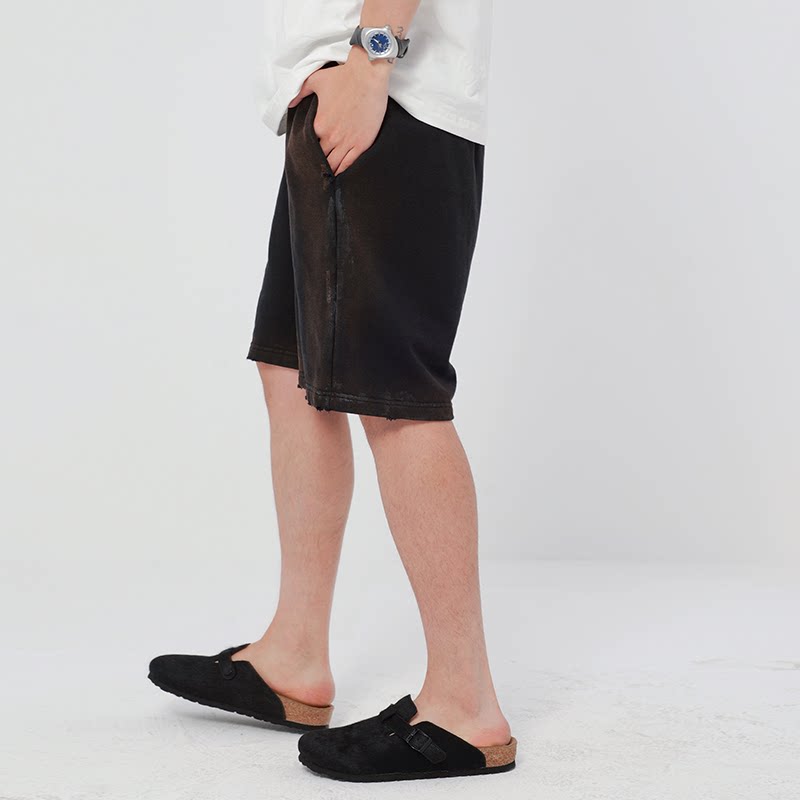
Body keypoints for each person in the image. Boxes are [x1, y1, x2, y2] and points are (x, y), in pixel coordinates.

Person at [148, 0, 516, 782]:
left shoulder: (376, 74)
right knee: (292, 367)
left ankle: (464, 704)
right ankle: (293, 655)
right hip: (346, 92)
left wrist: (372, 57)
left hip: (386, 94)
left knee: (394, 395)